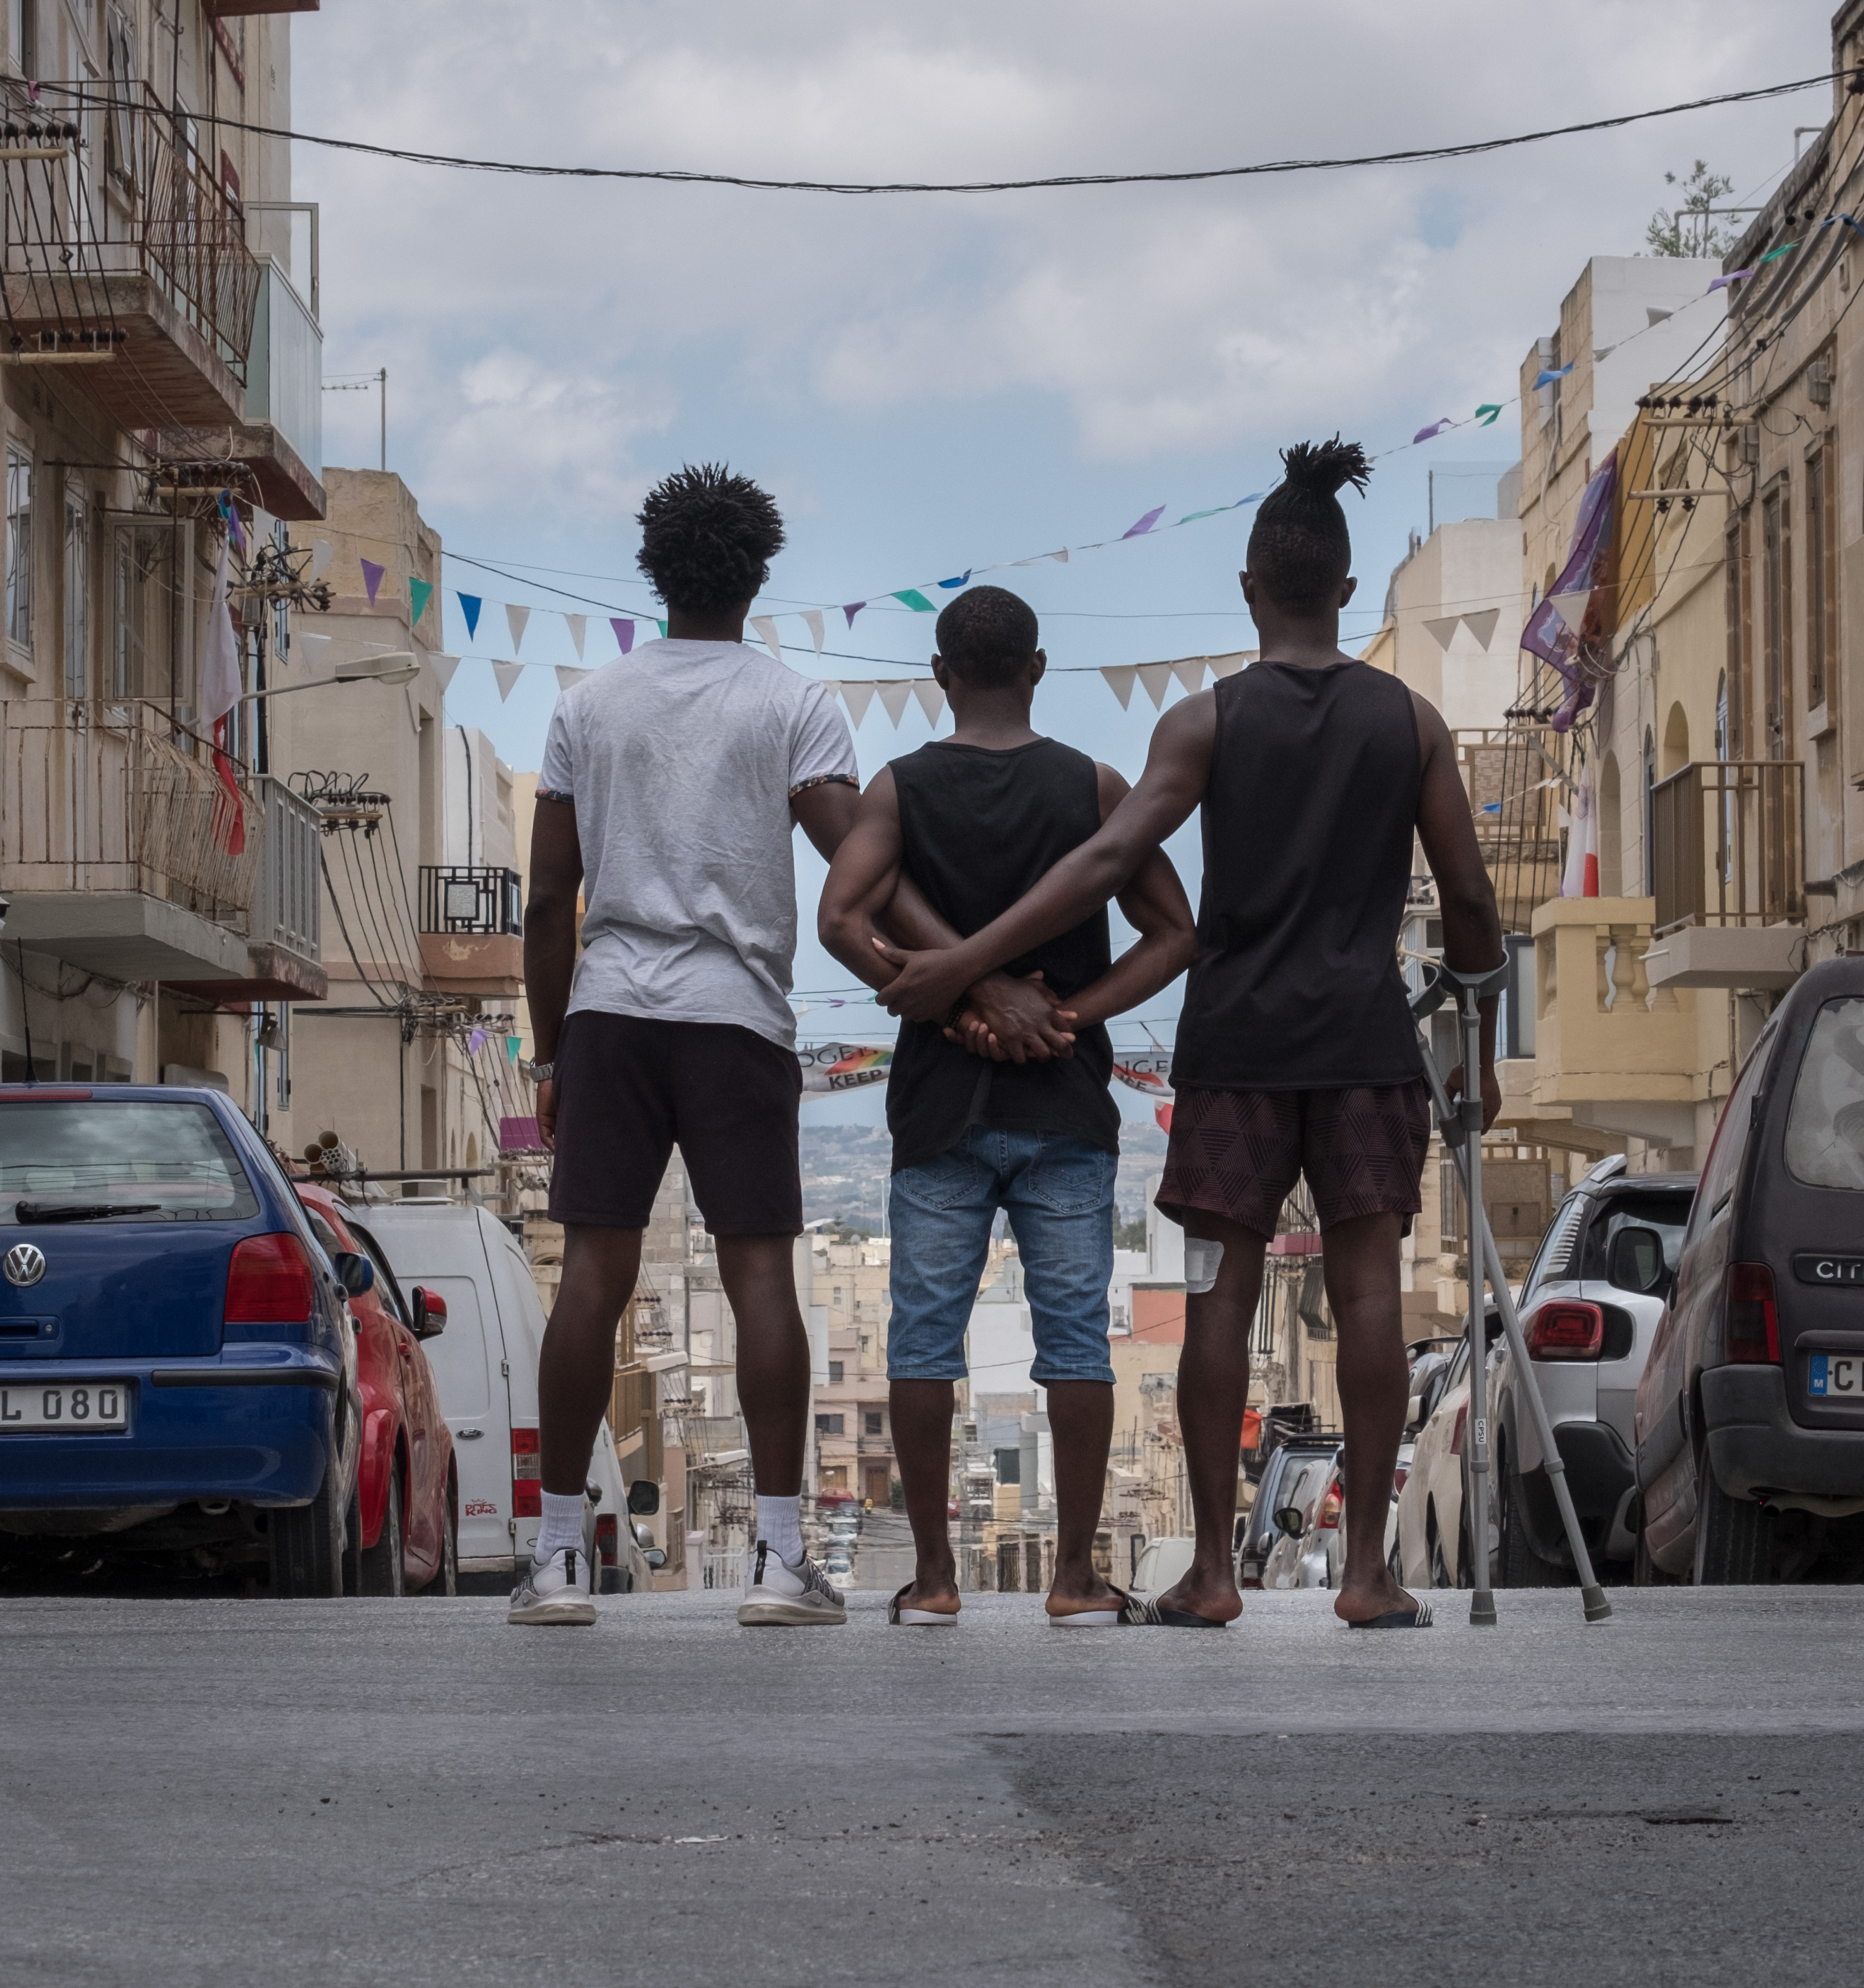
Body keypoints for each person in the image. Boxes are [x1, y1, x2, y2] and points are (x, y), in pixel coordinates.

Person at [875, 439, 1507, 1628]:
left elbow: (1110, 860)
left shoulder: (1206, 720)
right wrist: (1475, 1024)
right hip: (1366, 1046)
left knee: (1218, 1292)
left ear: (1250, 589)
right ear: (1346, 587)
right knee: (1370, 1293)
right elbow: (1468, 897)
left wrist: (965, 963)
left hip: (1238, 1054)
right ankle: (1367, 1576)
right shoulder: (1411, 721)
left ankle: (1214, 1573)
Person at [513, 466, 1063, 1628]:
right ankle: (777, 1560)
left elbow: (550, 898)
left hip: (609, 1013)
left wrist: (553, 1057)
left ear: (653, 571)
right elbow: (862, 869)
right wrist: (974, 975)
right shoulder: (795, 705)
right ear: (759, 575)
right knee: (759, 1272)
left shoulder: (584, 706)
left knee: (592, 1276)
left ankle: (556, 1561)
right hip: (736, 1018)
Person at [816, 586, 1197, 1627]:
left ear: (940, 676)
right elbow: (1176, 932)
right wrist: (1064, 1017)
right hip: (1064, 1104)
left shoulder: (899, 788)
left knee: (922, 1343)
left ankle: (936, 1579)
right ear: (1038, 668)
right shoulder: (1094, 786)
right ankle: (1074, 1579)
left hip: (938, 1106)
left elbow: (839, 919)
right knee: (1075, 1343)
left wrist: (946, 1006)